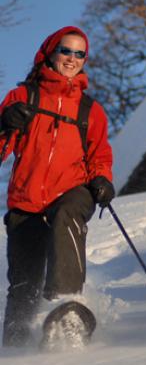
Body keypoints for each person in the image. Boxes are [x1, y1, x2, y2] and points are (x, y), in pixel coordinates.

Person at [0, 26, 115, 347]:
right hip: (26, 199)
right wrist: (4, 123)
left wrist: (103, 178)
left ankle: (66, 304)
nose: (72, 59)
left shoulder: (90, 110)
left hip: (72, 189)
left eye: (80, 54)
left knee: (67, 215)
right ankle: (15, 344)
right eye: (67, 51)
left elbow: (99, 153)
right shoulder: (23, 97)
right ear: (50, 52)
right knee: (23, 283)